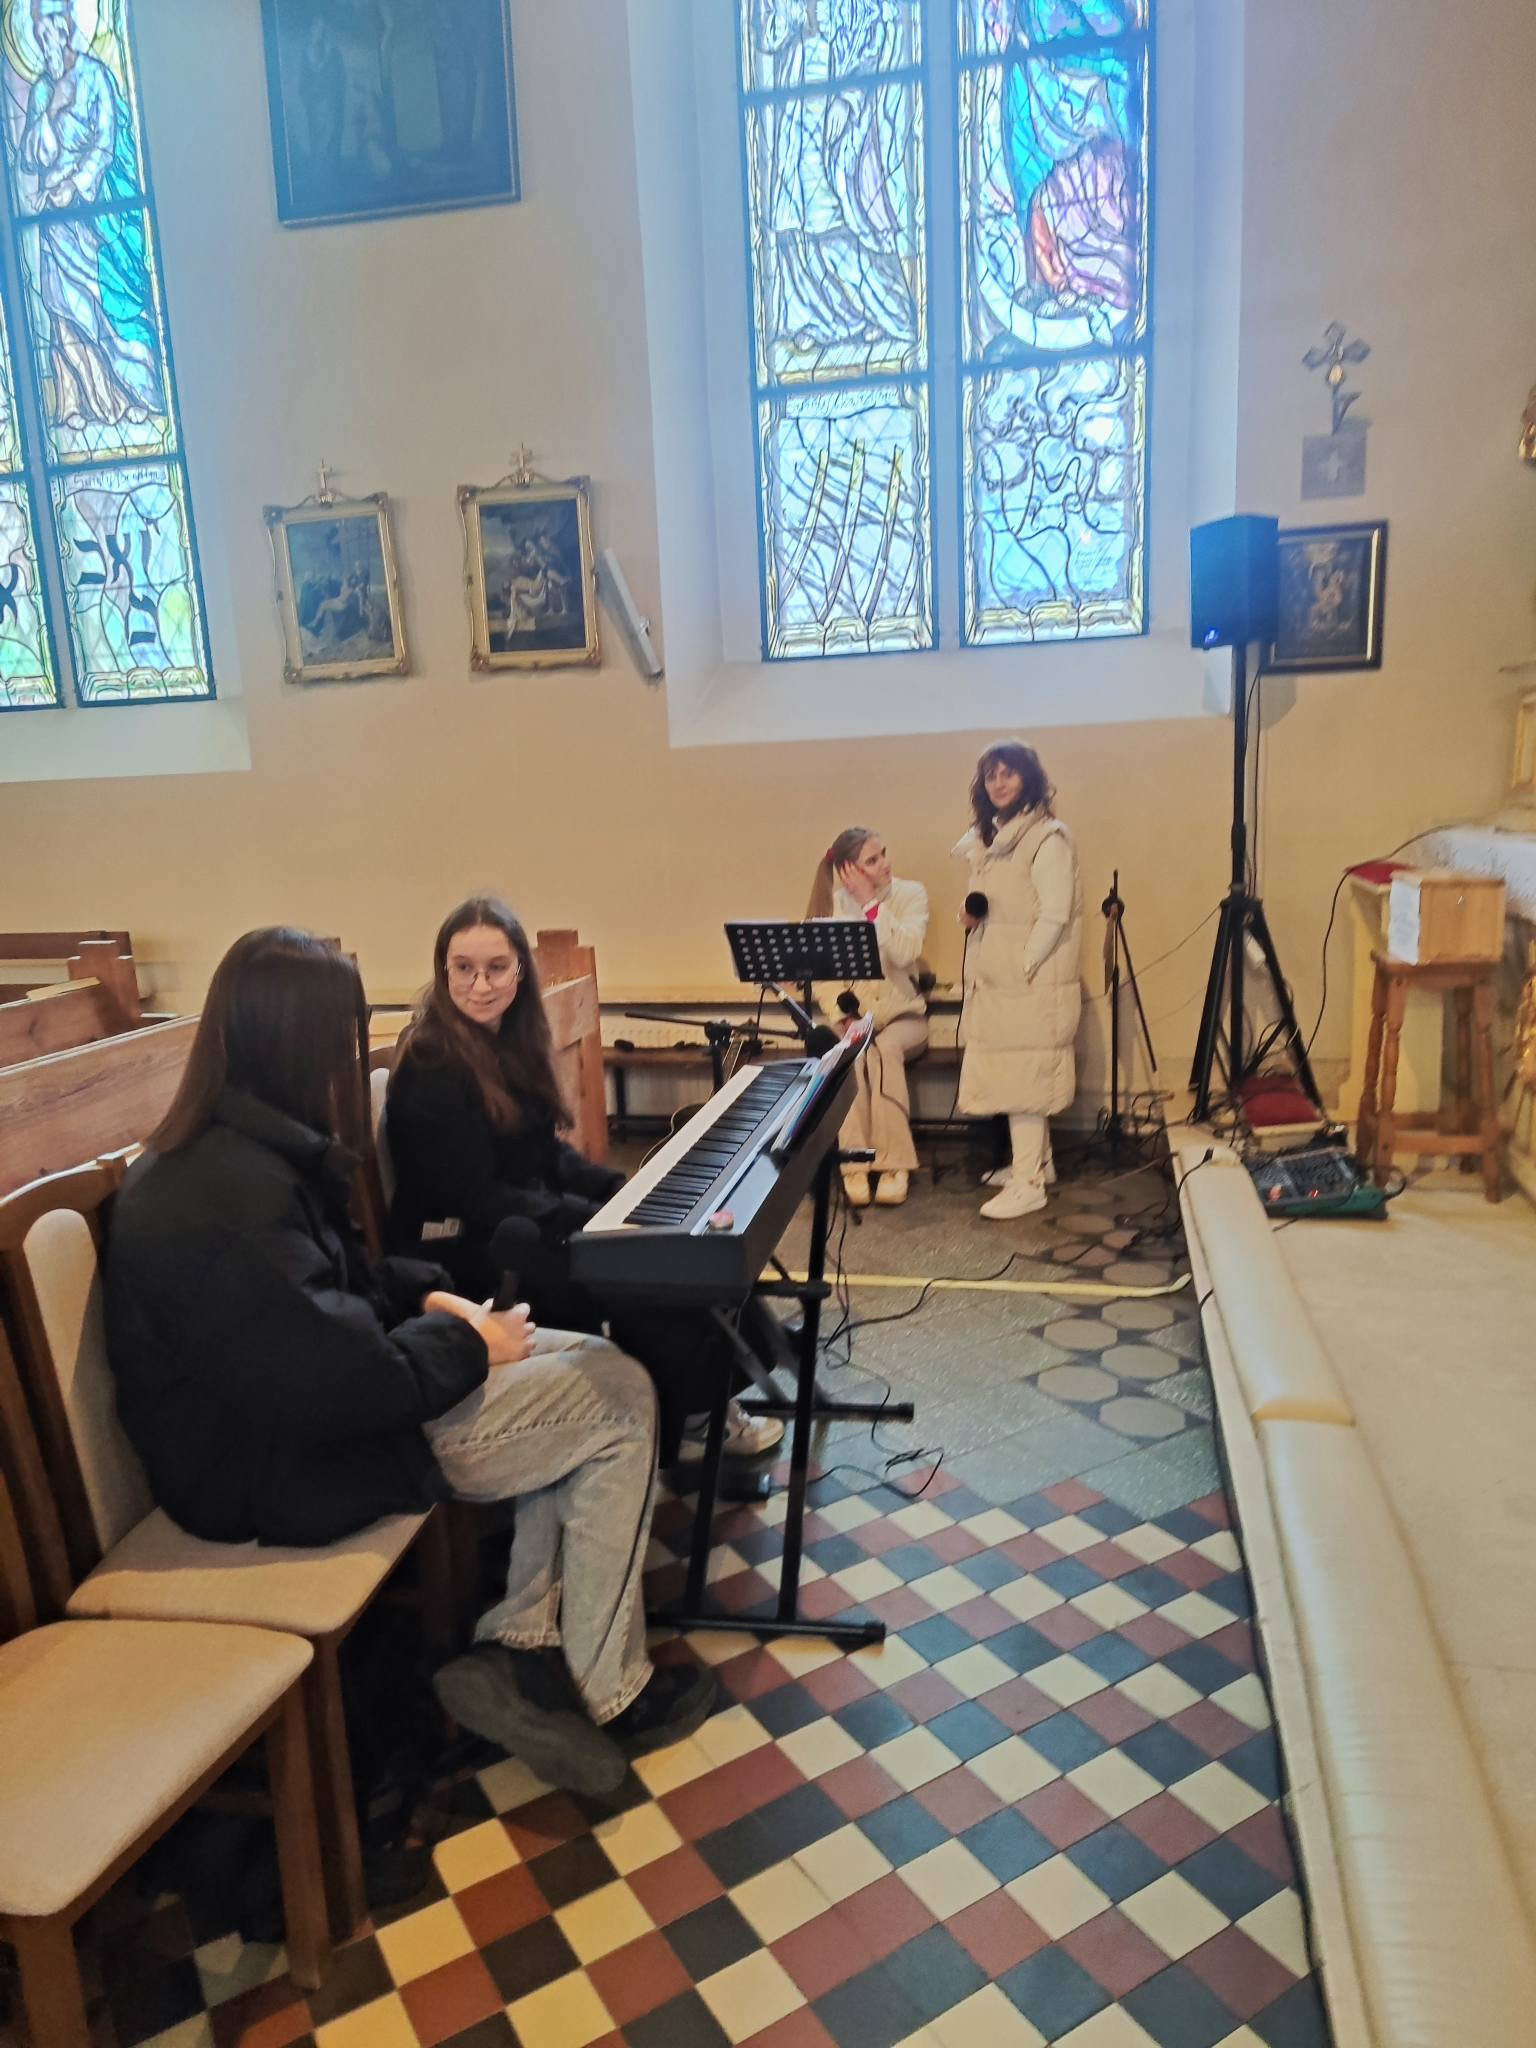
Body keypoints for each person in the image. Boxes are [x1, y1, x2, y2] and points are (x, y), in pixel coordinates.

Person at [103, 928, 714, 1799]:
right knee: (614, 1402)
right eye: (343, 1037)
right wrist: (469, 1344)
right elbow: (334, 1382)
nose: (349, 1062)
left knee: (593, 1363)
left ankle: (523, 1649)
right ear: (299, 1043)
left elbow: (332, 1297)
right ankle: (608, 1687)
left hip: (319, 1415)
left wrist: (435, 1301)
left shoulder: (244, 1150)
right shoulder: (222, 1193)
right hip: (276, 1466)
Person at [385, 896, 784, 1462]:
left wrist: (618, 1190)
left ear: (519, 971)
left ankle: (700, 1401)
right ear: (443, 970)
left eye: (496, 968)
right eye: (464, 968)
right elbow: (474, 1195)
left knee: (674, 1245)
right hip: (464, 1247)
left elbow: (542, 1154)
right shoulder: (432, 1063)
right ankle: (690, 1419)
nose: (480, 984)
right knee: (640, 1270)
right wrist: (594, 1221)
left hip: (513, 1219)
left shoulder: (509, 1042)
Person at [955, 740, 1082, 1218]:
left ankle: (1028, 1185)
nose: (999, 783)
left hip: (1031, 984)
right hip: (1005, 982)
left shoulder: (1047, 838)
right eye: (991, 775)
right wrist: (970, 918)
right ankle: (1038, 1164)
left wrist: (1024, 964)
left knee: (1025, 1079)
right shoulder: (993, 840)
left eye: (1008, 773)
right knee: (1018, 1073)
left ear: (1028, 777)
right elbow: (998, 906)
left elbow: (1055, 914)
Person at [807, 827, 930, 1207]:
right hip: (856, 1019)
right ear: (849, 870)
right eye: (872, 860)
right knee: (855, 1056)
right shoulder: (832, 907)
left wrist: (870, 905)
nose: (884, 864)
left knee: (884, 1050)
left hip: (903, 1016)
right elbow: (825, 980)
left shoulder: (911, 895)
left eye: (883, 854)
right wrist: (843, 1017)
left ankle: (894, 1164)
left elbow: (906, 952)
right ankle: (854, 1164)